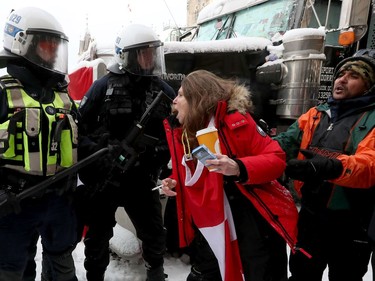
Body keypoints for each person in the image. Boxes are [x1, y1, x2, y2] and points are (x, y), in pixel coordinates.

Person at [160, 69, 300, 281]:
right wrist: (175, 182)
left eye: (181, 95)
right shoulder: (187, 131)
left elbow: (276, 160)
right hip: (212, 222)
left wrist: (238, 167)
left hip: (250, 219)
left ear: (198, 97)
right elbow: (196, 173)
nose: (175, 101)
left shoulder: (236, 121)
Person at [77, 23, 175, 281]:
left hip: (142, 178)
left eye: (152, 52)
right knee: (98, 235)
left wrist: (156, 152)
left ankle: (156, 273)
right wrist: (101, 149)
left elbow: (176, 136)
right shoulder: (103, 87)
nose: (149, 59)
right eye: (142, 53)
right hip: (106, 176)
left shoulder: (164, 92)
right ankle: (95, 276)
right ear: (127, 55)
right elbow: (78, 130)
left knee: (153, 231)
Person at [274, 51, 375, 281]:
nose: (341, 80)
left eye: (353, 76)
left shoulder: (372, 118)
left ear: (369, 85)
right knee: (301, 274)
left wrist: (328, 167)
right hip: (311, 216)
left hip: (352, 222)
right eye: (341, 74)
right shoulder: (316, 114)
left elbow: (370, 165)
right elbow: (284, 144)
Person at [0, 6, 79, 281]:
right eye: (47, 45)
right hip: (13, 204)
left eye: (57, 46)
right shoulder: (3, 91)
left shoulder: (63, 95)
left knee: (63, 269)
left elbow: (83, 139)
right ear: (24, 44)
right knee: (13, 272)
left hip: (58, 201)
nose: (54, 52)